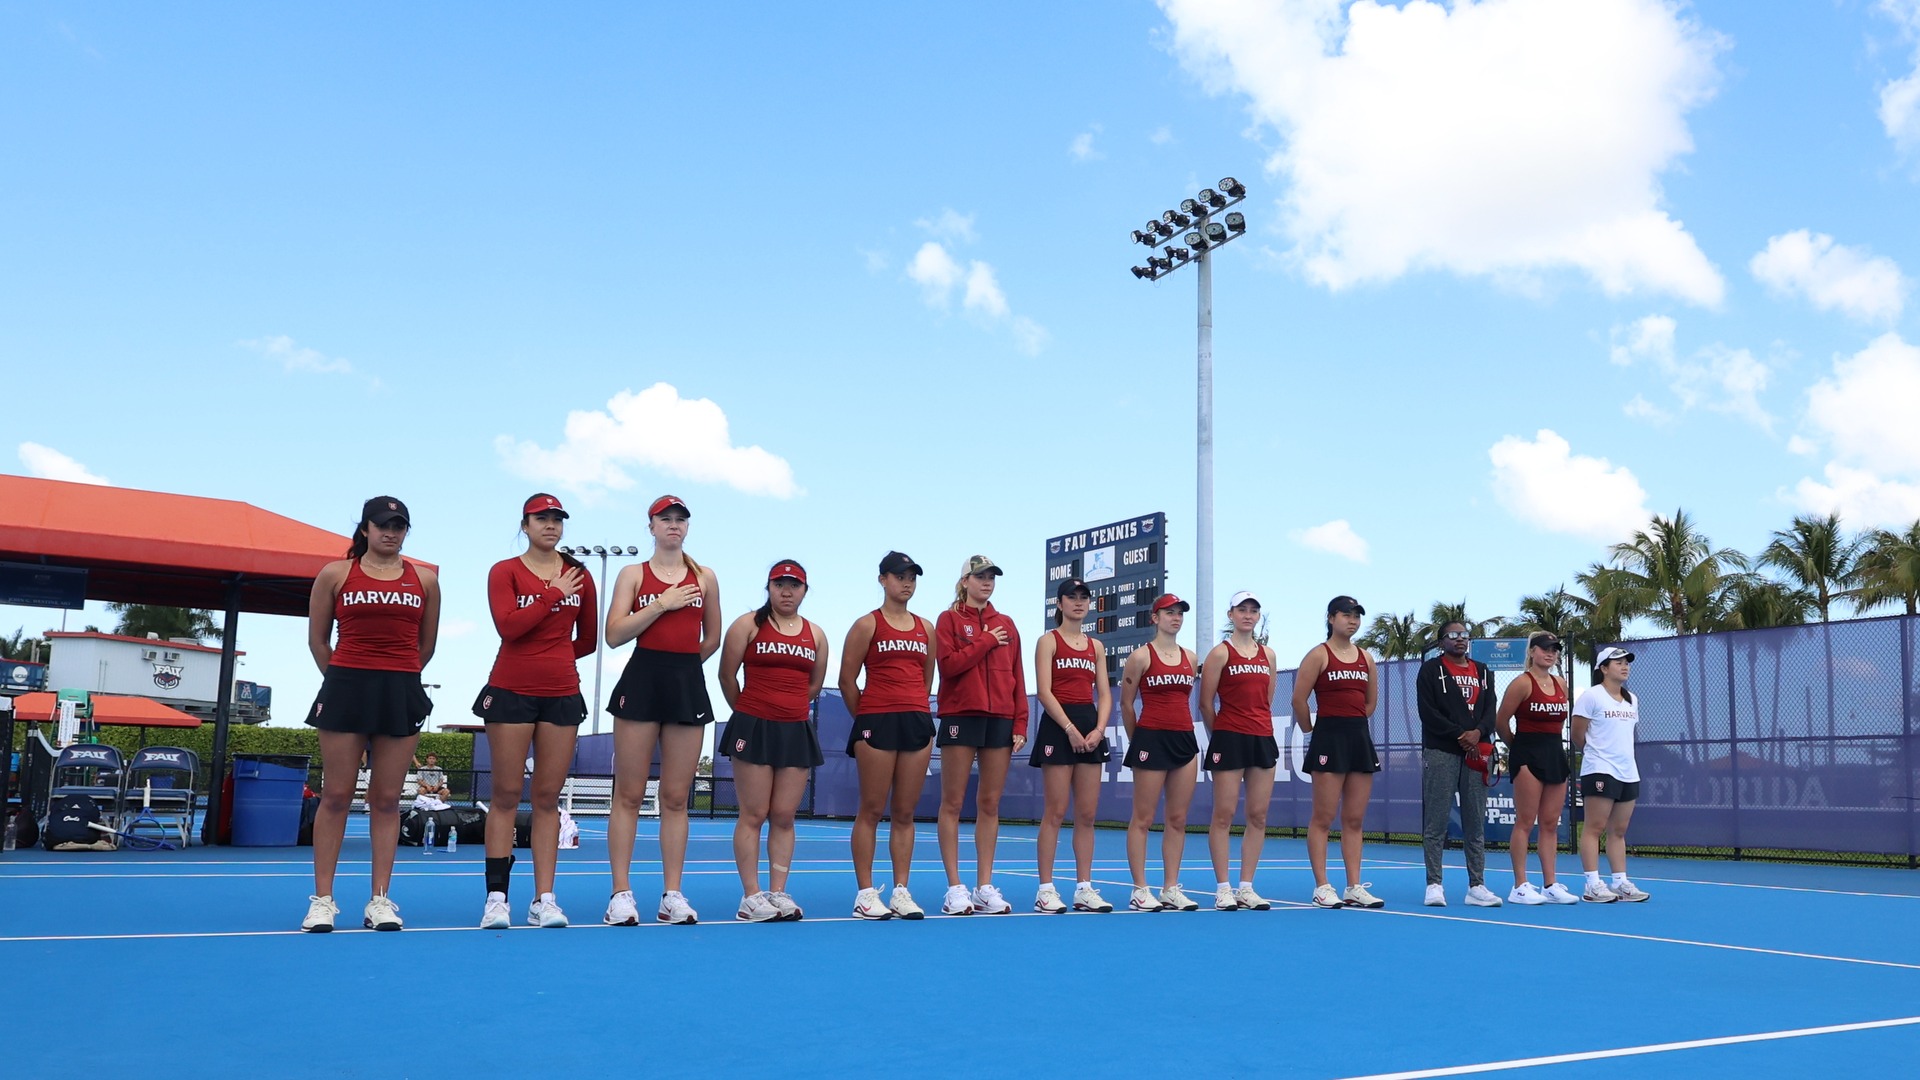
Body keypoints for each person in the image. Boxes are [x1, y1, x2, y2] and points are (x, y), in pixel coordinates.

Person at [302, 496, 441, 932]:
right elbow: (318, 641)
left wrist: (397, 676)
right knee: (336, 795)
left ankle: (380, 900)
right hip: (346, 686)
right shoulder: (335, 574)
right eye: (382, 525)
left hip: (400, 689)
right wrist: (345, 679)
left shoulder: (425, 579)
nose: (390, 532)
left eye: (399, 526)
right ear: (365, 528)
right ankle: (323, 901)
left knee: (386, 800)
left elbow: (426, 647)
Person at [472, 493, 598, 930]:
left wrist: (552, 658)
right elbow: (509, 626)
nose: (551, 525)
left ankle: (544, 899)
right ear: (525, 525)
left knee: (547, 799)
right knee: (506, 795)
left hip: (561, 693)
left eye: (557, 519)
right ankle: (497, 899)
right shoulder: (504, 571)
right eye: (541, 518)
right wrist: (551, 595)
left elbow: (588, 640)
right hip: (511, 690)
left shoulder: (580, 575)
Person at [603, 494, 721, 926]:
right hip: (642, 678)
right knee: (629, 794)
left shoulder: (705, 576)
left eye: (680, 519)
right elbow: (614, 634)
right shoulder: (632, 574)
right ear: (651, 526)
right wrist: (660, 605)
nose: (673, 524)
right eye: (665, 518)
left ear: (687, 527)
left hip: (686, 682)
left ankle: (672, 895)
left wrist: (682, 668)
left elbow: (712, 638)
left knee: (675, 798)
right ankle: (620, 894)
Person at [718, 560, 829, 922]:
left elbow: (814, 685)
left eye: (794, 585)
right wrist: (750, 712)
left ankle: (778, 892)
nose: (786, 591)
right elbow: (727, 675)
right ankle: (751, 897)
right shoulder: (747, 624)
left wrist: (787, 708)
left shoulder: (816, 635)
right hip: (754, 726)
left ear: (804, 591)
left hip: (794, 729)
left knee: (783, 815)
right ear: (768, 587)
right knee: (754, 813)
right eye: (780, 584)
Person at [839, 551, 937, 921]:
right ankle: (865, 894)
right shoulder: (867, 625)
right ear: (883, 579)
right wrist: (868, 715)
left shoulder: (926, 628)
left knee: (906, 812)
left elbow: (926, 679)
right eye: (899, 576)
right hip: (877, 721)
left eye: (912, 577)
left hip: (916, 722)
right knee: (871, 808)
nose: (907, 583)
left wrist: (914, 709)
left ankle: (900, 891)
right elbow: (847, 681)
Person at [933, 555, 1025, 916]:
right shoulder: (949, 619)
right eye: (980, 576)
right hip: (961, 715)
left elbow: (1017, 676)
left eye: (991, 577)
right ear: (965, 582)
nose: (987, 582)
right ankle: (954, 888)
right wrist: (985, 641)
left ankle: (984, 887)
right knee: (953, 803)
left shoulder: (1007, 624)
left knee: (990, 803)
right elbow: (949, 666)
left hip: (1000, 718)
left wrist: (1020, 722)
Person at [1291, 595, 1384, 909]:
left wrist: (1352, 722)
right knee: (1323, 817)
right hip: (1328, 739)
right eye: (1346, 615)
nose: (1352, 620)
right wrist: (1311, 731)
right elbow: (1299, 700)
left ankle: (1354, 886)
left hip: (1359, 738)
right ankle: (1322, 886)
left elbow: (1369, 703)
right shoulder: (1319, 654)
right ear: (1331, 618)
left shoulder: (1366, 658)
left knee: (1354, 819)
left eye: (1356, 615)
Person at [1029, 577, 1114, 914]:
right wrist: (1069, 729)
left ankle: (1084, 888)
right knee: (1055, 811)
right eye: (1072, 597)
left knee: (1087, 814)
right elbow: (1044, 691)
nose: (1078, 602)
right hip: (1058, 727)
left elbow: (1104, 693)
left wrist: (1099, 730)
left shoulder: (1096, 646)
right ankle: (1045, 889)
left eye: (1083, 597)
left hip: (1089, 728)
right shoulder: (1048, 641)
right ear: (1060, 603)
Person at [1117, 593, 1202, 912]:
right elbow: (1127, 704)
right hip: (1150, 739)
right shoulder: (1140, 656)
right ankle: (1140, 889)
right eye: (1169, 613)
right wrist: (1139, 740)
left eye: (1179, 613)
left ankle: (1170, 888)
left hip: (1184, 739)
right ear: (1155, 618)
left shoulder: (1190, 658)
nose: (1176, 617)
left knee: (1178, 819)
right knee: (1143, 818)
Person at [1202, 590, 1280, 912]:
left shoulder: (1268, 655)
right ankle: (1223, 888)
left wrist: (1253, 725)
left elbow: (1267, 699)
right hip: (1229, 738)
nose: (1248, 615)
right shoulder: (1220, 653)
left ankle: (1246, 887)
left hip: (1262, 738)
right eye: (1242, 609)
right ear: (1231, 614)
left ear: (1258, 616)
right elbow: (1206, 703)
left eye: (1253, 610)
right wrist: (1222, 734)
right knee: (1223, 814)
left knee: (1258, 816)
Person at [1415, 620, 1502, 908]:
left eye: (1464, 634)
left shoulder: (1483, 671)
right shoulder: (1431, 670)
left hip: (1477, 752)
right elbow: (1428, 713)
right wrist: (1458, 734)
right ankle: (1434, 884)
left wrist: (1478, 733)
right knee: (1437, 821)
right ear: (1442, 642)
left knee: (1475, 821)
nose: (1460, 638)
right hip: (1442, 751)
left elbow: (1490, 710)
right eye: (1453, 635)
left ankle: (1477, 885)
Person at [1494, 630, 1578, 906]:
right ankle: (1519, 886)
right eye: (1544, 648)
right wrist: (1518, 748)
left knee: (1551, 823)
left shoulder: (1561, 684)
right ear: (1532, 651)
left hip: (1555, 753)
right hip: (1528, 754)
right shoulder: (1521, 683)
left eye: (1554, 649)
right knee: (1525, 821)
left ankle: (1550, 885)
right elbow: (1501, 721)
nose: (1550, 653)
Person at [1573, 647, 1650, 903]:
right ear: (1604, 669)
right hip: (1599, 769)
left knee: (1619, 830)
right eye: (1618, 663)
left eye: (1626, 662)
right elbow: (1577, 735)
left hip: (1628, 772)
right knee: (1594, 827)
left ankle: (1620, 883)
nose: (1625, 666)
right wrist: (1596, 755)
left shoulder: (1632, 699)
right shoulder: (1591, 696)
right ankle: (1592, 884)